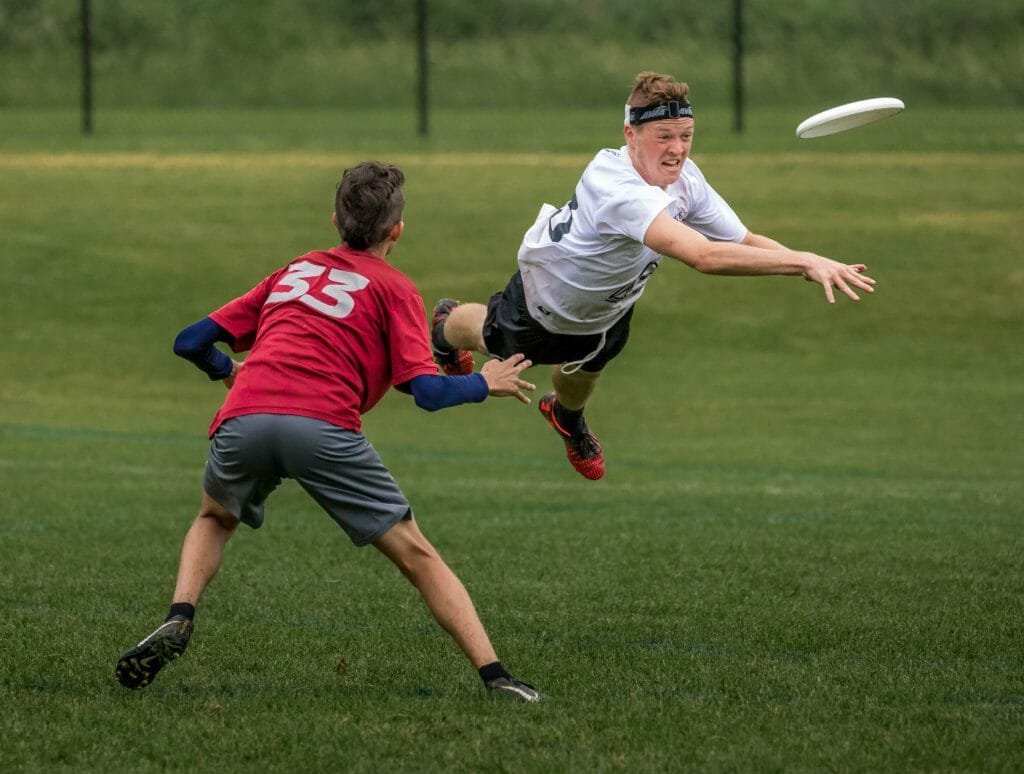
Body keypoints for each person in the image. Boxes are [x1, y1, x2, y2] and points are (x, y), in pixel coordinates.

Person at [115, 162, 542, 702]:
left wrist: (229, 373)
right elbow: (427, 392)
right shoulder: (395, 289)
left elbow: (189, 341)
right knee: (416, 554)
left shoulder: (293, 271)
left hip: (244, 419)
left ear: (334, 219)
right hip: (323, 428)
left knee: (214, 517)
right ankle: (497, 677)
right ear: (397, 231)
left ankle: (180, 613)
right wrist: (486, 382)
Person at [431, 71, 877, 481]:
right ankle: (443, 326)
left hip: (610, 307)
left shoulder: (686, 179)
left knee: (588, 368)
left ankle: (565, 418)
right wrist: (802, 261)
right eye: (664, 137)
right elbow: (702, 255)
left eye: (686, 136)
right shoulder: (618, 188)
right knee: (491, 337)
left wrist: (813, 263)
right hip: (546, 305)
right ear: (631, 134)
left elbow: (744, 239)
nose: (678, 149)